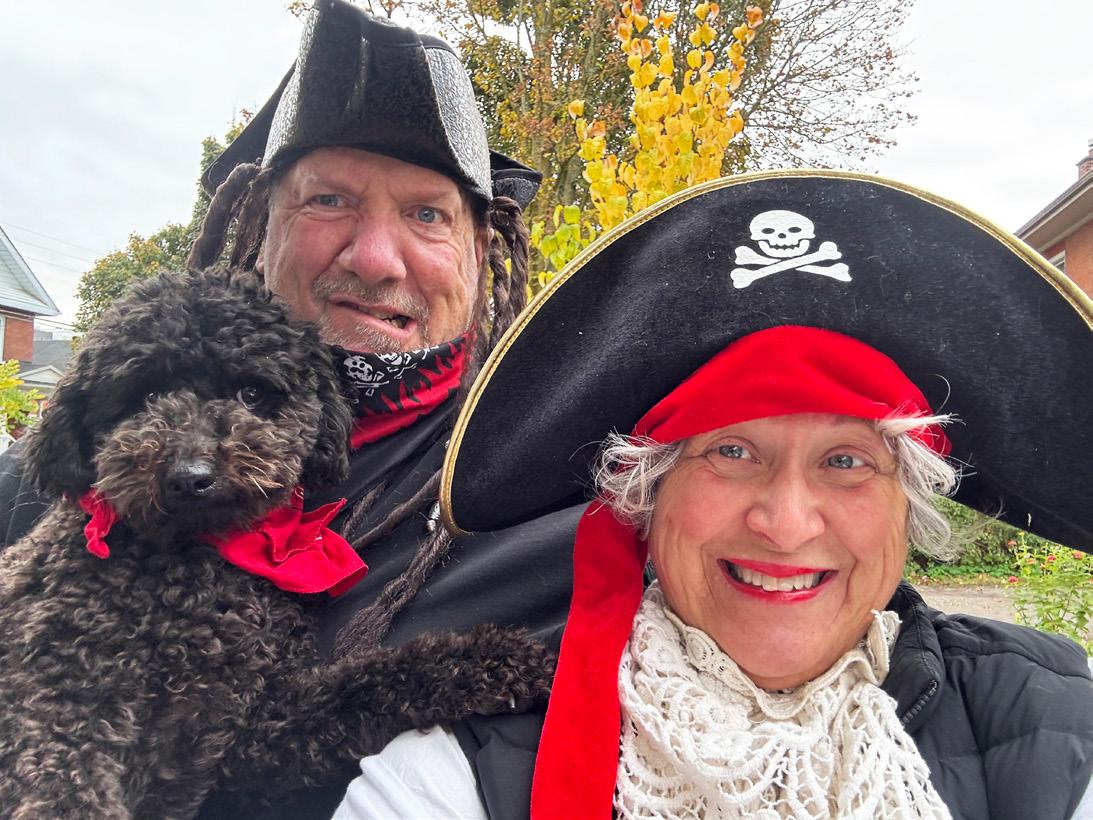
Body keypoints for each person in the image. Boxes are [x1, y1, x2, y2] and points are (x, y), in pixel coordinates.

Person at [0, 2, 578, 816]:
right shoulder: (45, 482)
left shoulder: (548, 495)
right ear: (259, 224)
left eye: (427, 214)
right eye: (329, 200)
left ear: (482, 253)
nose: (375, 259)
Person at [431, 172, 1093, 819]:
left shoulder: (1059, 726)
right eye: (732, 452)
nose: (785, 523)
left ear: (907, 509)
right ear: (648, 496)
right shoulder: (463, 760)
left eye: (845, 461)